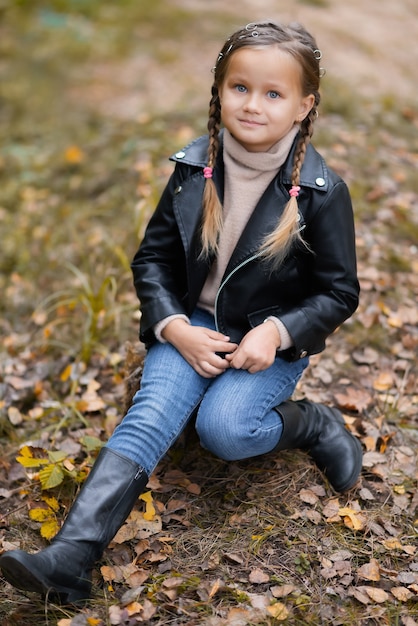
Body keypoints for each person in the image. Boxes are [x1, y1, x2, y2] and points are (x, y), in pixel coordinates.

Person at [0, 21, 363, 604]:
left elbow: (340, 292)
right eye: (239, 87)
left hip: (264, 343)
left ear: (304, 105)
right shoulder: (194, 170)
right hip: (189, 327)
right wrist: (173, 327)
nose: (253, 104)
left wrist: (276, 331)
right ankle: (70, 560)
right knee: (151, 414)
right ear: (218, 91)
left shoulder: (322, 192)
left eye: (274, 93)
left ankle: (312, 424)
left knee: (224, 430)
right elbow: (153, 260)